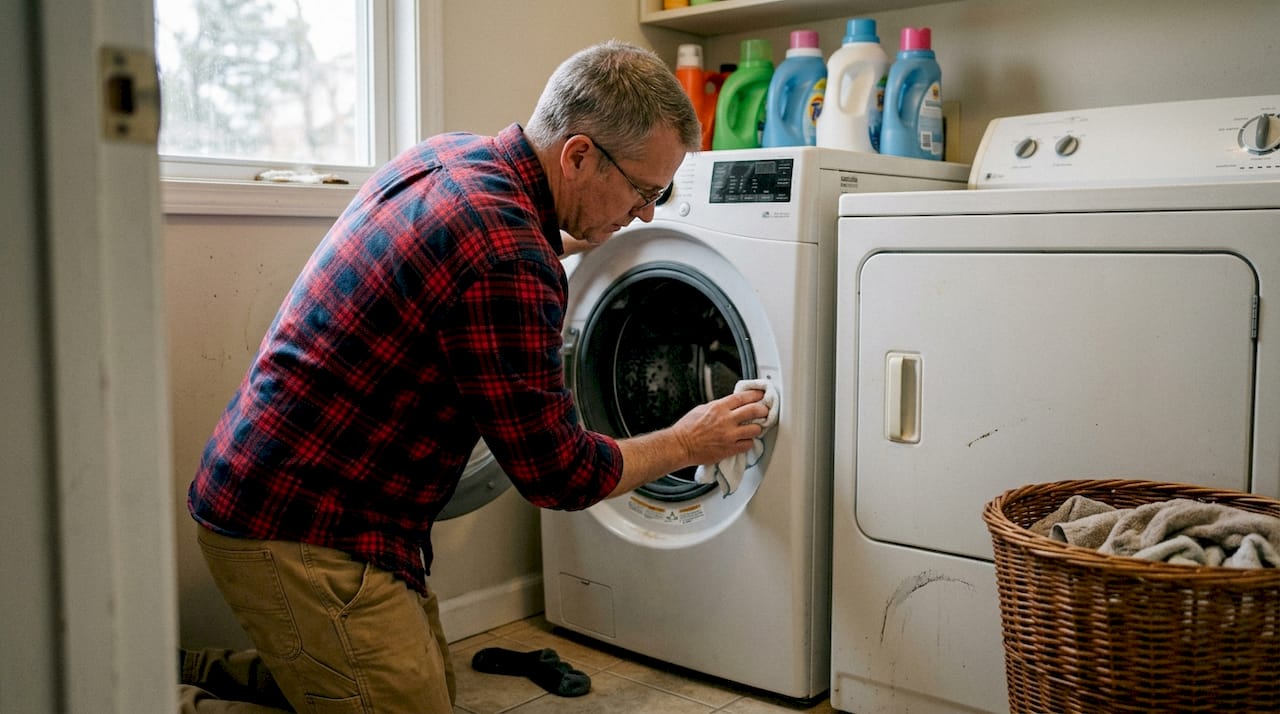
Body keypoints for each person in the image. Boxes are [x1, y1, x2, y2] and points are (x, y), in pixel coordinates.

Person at [186, 40, 769, 713]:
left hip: (280, 486)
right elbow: (558, 474)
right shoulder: (508, 257)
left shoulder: (453, 157)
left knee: (408, 685)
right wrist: (687, 443)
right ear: (579, 155)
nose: (645, 214)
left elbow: (489, 246)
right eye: (643, 190)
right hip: (302, 527)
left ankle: (192, 667)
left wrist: (570, 237)